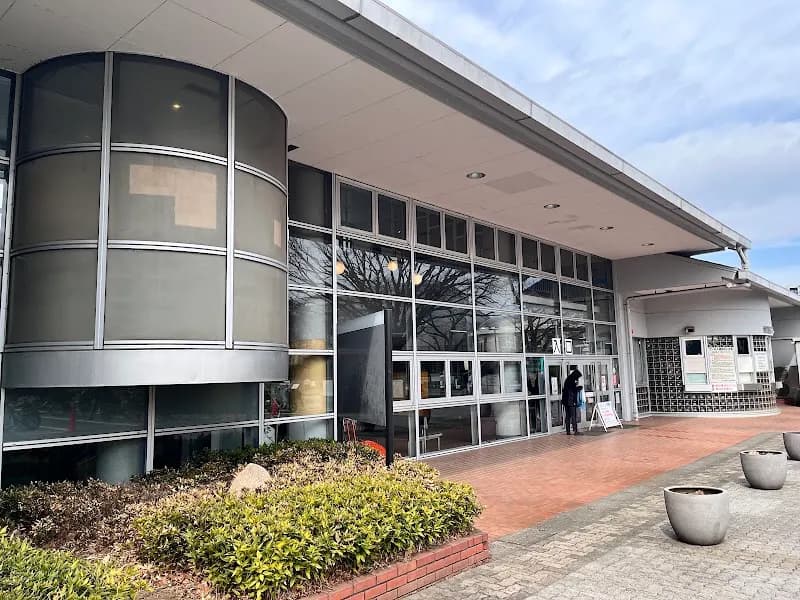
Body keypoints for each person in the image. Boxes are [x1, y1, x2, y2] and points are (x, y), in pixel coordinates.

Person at [561, 368, 583, 435]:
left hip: (565, 401)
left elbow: (566, 390)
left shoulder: (568, 379)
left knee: (568, 416)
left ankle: (568, 431)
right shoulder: (572, 380)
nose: (578, 379)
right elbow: (572, 391)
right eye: (578, 377)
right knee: (573, 416)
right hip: (570, 401)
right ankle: (575, 430)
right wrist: (578, 388)